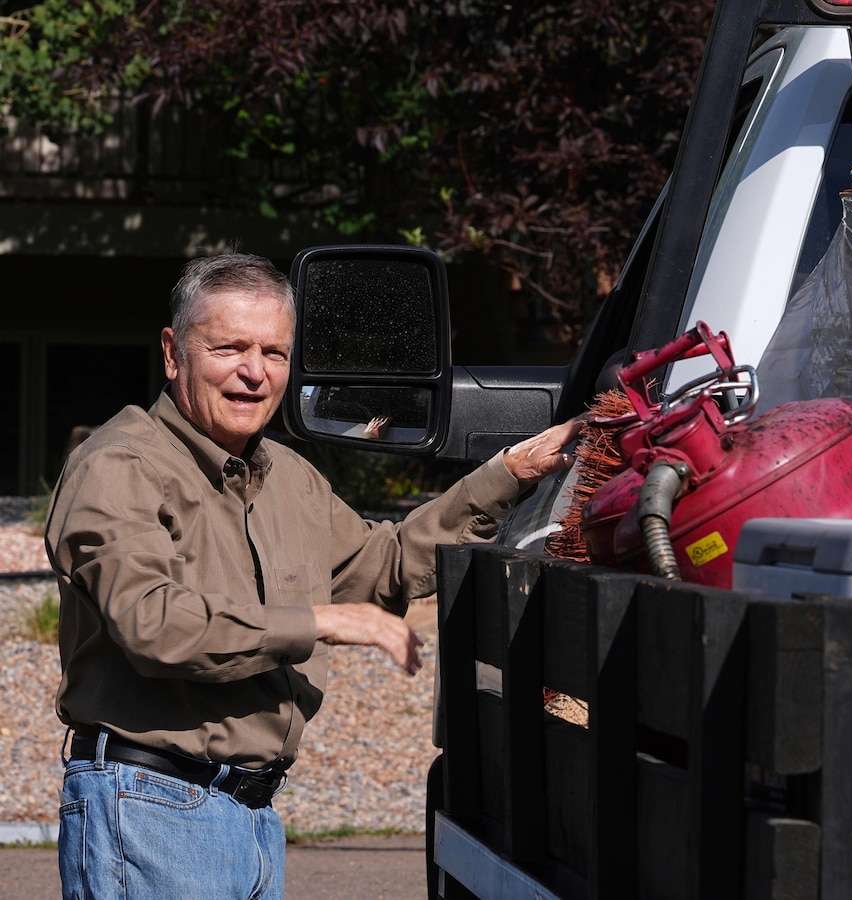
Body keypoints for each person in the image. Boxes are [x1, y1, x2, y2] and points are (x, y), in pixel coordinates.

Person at [44, 252, 581, 899]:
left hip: (250, 815)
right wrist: (321, 620)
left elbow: (384, 565)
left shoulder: (289, 478)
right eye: (228, 348)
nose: (254, 372)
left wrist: (512, 472)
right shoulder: (119, 465)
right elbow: (155, 625)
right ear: (172, 353)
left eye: (273, 352)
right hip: (150, 807)